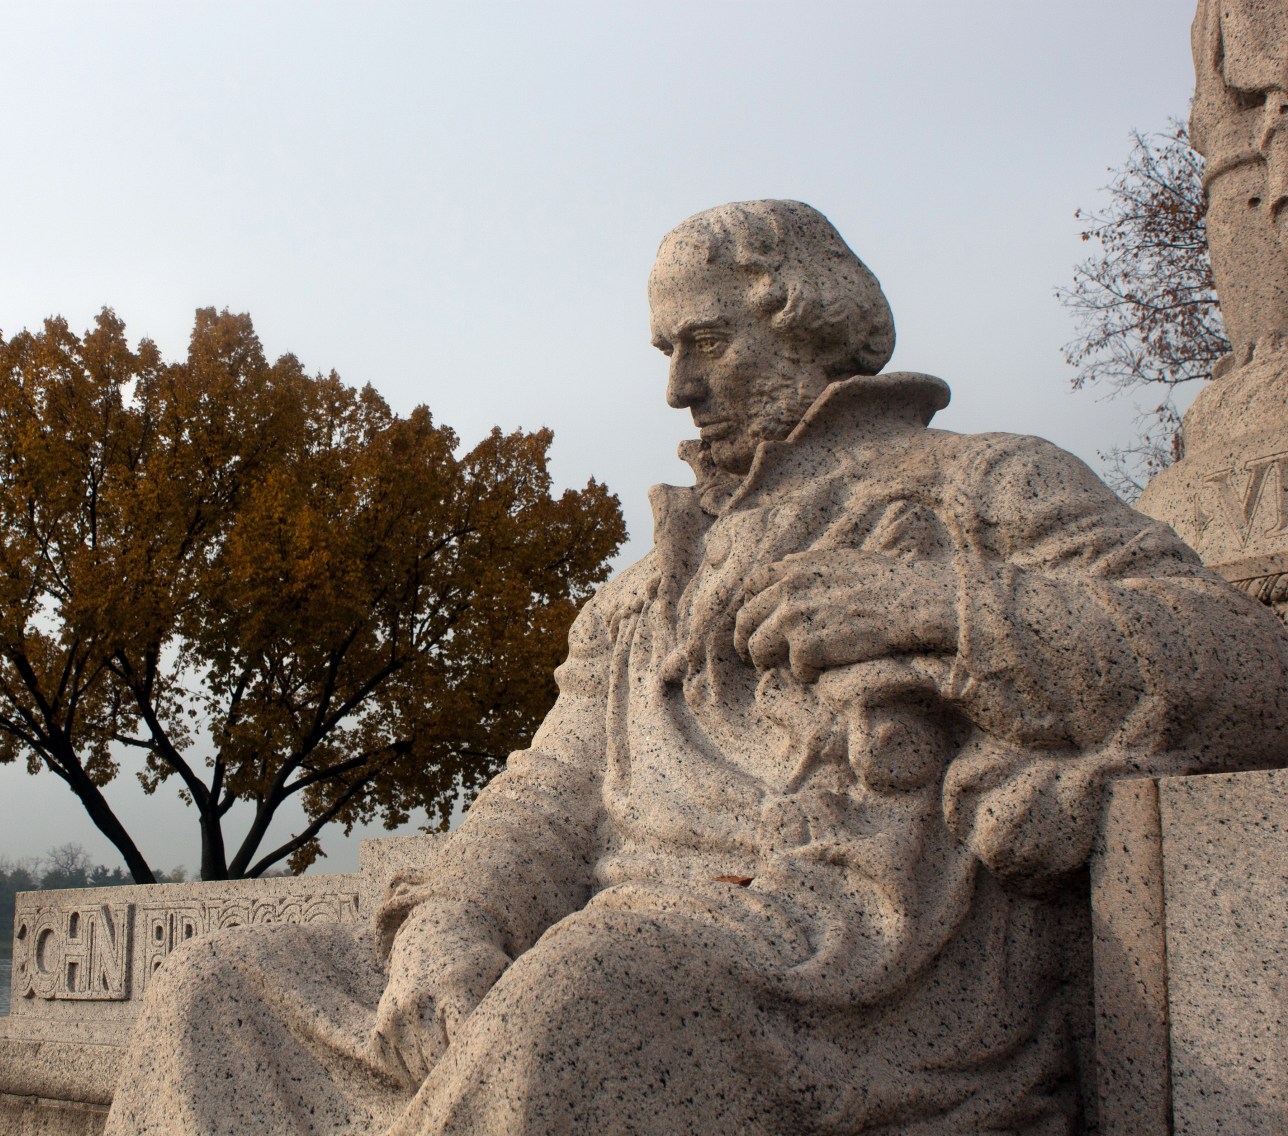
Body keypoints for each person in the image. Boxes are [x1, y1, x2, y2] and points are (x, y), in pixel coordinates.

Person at [103, 201, 1288, 1136]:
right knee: (222, 991)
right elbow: (553, 786)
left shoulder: (982, 486)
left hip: (843, 967)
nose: (676, 386)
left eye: (707, 341)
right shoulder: (650, 577)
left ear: (810, 320)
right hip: (617, 940)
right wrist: (455, 916)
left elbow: (1248, 662)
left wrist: (942, 604)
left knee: (593, 993)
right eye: (667, 350)